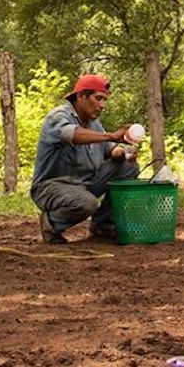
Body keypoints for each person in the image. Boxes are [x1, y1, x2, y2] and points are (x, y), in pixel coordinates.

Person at [31, 74, 139, 243]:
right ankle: (50, 224)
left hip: (85, 183)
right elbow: (73, 134)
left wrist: (123, 152)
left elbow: (109, 150)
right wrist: (111, 135)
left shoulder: (93, 122)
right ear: (81, 96)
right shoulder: (58, 116)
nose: (102, 105)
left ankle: (102, 225)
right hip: (52, 187)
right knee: (87, 203)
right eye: (98, 98)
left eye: (104, 100)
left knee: (128, 167)